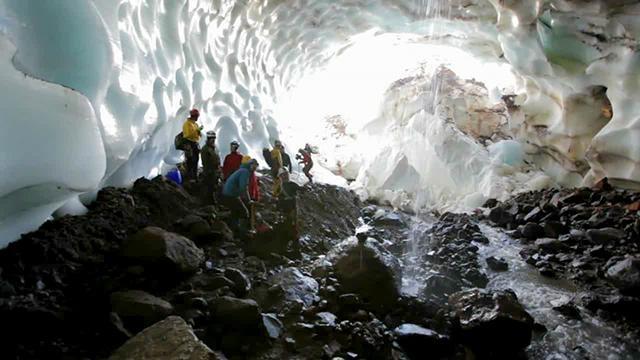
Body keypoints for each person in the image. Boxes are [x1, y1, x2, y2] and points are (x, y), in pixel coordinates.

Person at [222, 158, 259, 236]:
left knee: (235, 212)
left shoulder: (242, 170)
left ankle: (233, 231)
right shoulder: (245, 172)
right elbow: (243, 187)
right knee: (244, 213)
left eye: (256, 166)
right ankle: (243, 232)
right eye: (254, 165)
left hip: (228, 193)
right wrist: (249, 200)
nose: (255, 168)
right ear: (250, 165)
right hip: (231, 194)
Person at [277, 168, 302, 248]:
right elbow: (279, 198)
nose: (285, 176)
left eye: (286, 174)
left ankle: (293, 242)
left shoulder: (290, 185)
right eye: (284, 175)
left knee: (293, 224)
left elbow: (300, 189)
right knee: (290, 224)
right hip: (287, 209)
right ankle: (292, 242)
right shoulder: (284, 186)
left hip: (291, 208)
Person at [182, 109, 203, 181]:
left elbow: (196, 134)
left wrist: (199, 132)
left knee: (195, 160)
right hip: (189, 143)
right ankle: (189, 177)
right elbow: (188, 134)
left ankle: (194, 176)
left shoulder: (195, 124)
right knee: (190, 160)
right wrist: (197, 131)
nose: (197, 118)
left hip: (195, 143)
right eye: (197, 116)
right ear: (194, 116)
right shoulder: (187, 124)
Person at [201, 131, 221, 204]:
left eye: (214, 138)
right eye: (211, 138)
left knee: (214, 187)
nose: (213, 140)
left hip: (215, 171)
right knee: (209, 188)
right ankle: (208, 203)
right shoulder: (205, 149)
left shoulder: (214, 148)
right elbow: (205, 162)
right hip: (209, 172)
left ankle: (213, 202)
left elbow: (217, 158)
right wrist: (209, 171)